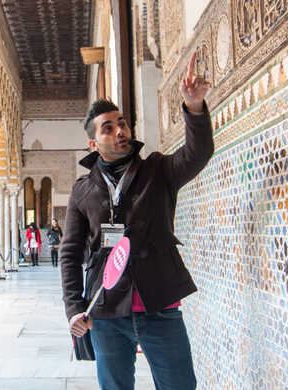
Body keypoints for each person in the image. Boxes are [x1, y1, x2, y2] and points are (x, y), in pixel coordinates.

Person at [60, 52, 213, 390]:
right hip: (106, 311)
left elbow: (196, 155)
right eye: (108, 128)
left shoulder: (157, 169)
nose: (120, 131)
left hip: (159, 305)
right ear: (93, 142)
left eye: (123, 123)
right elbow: (70, 253)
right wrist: (74, 307)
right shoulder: (83, 191)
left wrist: (195, 109)